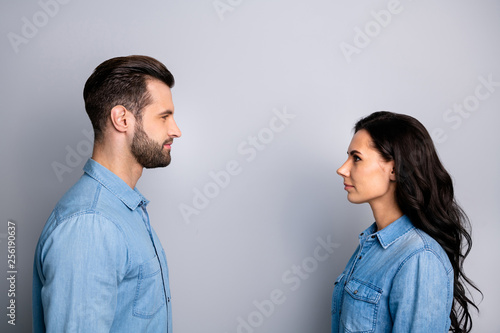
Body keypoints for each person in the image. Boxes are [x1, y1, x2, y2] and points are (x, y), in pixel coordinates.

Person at [32, 55, 181, 332]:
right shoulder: (90, 225)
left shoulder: (124, 209)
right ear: (122, 118)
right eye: (164, 117)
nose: (176, 130)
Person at [332, 111, 480, 332]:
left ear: (393, 168)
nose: (342, 169)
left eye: (356, 158)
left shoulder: (419, 258)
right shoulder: (369, 246)